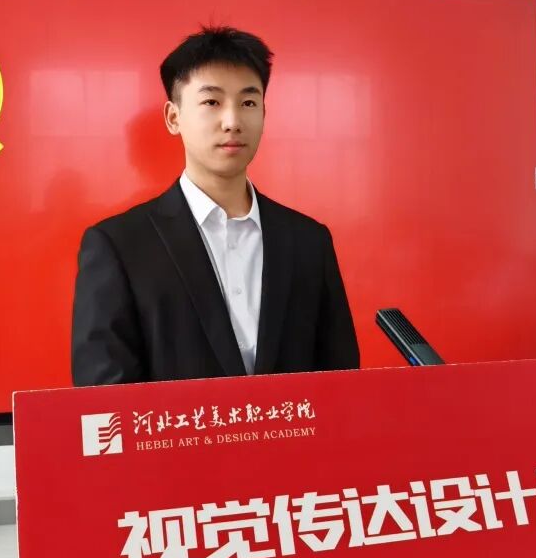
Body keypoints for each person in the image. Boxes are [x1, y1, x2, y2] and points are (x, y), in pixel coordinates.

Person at [70, 26, 359, 385]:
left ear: (264, 113)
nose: (233, 121)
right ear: (173, 117)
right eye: (212, 102)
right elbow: (103, 396)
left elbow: (341, 383)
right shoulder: (120, 246)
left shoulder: (309, 242)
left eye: (248, 103)